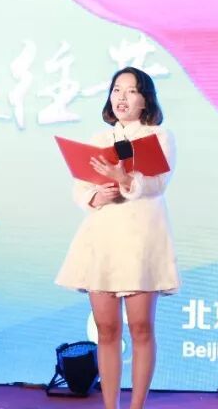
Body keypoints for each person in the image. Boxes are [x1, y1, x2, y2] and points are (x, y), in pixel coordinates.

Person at [56, 67, 179, 409]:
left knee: (141, 328)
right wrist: (96, 195)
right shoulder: (99, 138)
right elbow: (80, 186)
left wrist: (124, 179)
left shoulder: (159, 136)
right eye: (116, 90)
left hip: (142, 239)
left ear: (145, 100)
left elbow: (157, 184)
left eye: (131, 91)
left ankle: (136, 405)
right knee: (106, 330)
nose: (122, 98)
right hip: (103, 238)